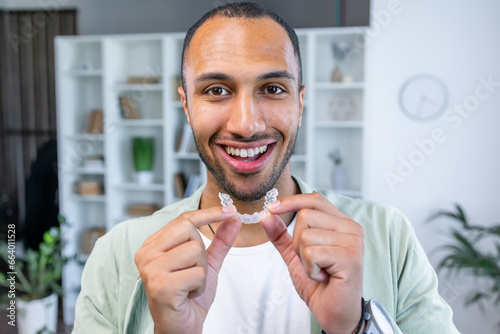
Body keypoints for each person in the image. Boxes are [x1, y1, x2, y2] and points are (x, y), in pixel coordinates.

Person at [73, 3, 459, 334]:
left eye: (273, 88)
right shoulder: (118, 254)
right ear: (187, 106)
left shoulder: (387, 236)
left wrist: (353, 327)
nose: (246, 124)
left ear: (300, 102)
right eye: (217, 90)